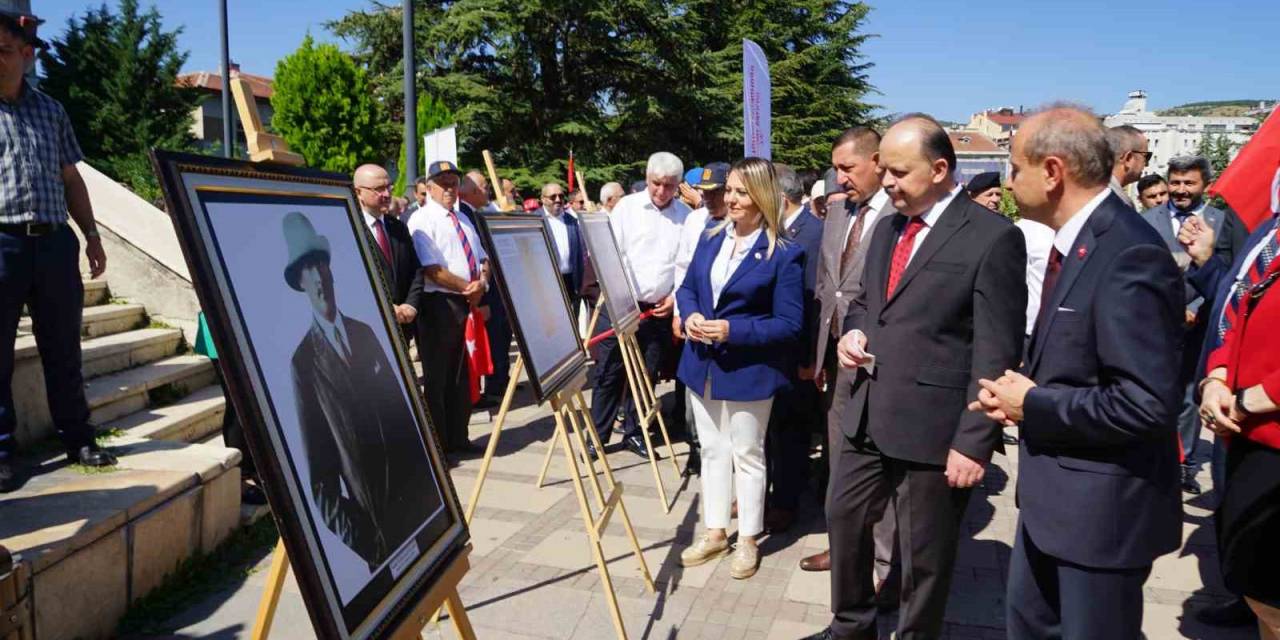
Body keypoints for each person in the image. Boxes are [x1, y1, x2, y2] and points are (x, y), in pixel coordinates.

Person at [807, 114, 1026, 640]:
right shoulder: (888, 227)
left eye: (900, 173)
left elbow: (996, 351)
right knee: (844, 517)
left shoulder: (993, 237)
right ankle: (851, 627)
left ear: (940, 169)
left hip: (934, 427)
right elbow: (867, 303)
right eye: (883, 170)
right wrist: (853, 333)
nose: (886, 182)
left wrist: (973, 441)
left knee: (923, 555)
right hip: (867, 411)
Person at [972, 105, 1183, 640]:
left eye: (1014, 168)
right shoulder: (1078, 242)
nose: (1008, 183)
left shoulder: (1129, 253)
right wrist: (1020, 391)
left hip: (1100, 518)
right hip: (1054, 505)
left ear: (1052, 172)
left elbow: (1144, 404)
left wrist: (1032, 404)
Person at [0, 9, 117, 492]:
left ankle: (79, 439)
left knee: (64, 348)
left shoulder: (52, 111)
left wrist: (91, 235)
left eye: (4, 51)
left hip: (53, 243)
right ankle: (2, 452)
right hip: (2, 243)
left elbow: (72, 179)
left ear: (26, 55)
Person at [280, 211, 435, 571]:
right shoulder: (304, 363)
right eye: (307, 270)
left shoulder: (364, 332)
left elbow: (403, 416)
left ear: (330, 269)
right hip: (380, 530)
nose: (318, 276)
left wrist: (431, 493)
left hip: (418, 508)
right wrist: (369, 542)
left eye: (320, 264)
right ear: (300, 282)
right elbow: (322, 484)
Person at [676, 157, 803, 579]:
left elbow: (789, 324)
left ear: (762, 196)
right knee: (711, 450)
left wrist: (734, 330)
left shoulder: (784, 253)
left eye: (740, 192)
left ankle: (748, 537)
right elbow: (687, 288)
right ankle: (715, 531)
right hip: (702, 364)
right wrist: (691, 315)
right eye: (728, 190)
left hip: (749, 370)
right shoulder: (711, 237)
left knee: (747, 454)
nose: (729, 199)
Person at [801, 128, 899, 595]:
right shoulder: (838, 211)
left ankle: (885, 565)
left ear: (877, 162)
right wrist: (818, 352)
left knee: (881, 464)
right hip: (836, 358)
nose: (838, 178)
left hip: (881, 362)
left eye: (847, 168)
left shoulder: (901, 215)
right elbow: (828, 284)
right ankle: (844, 548)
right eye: (836, 168)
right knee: (840, 458)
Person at [1187, 167, 1280, 631]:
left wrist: (1245, 401)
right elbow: (1237, 303)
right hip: (1244, 430)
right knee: (1256, 581)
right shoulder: (1270, 234)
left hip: (1264, 426)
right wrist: (1217, 377)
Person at [1139, 155, 1248, 494]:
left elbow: (1231, 273)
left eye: (1189, 183)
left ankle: (1182, 462)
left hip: (1200, 325)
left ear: (1206, 185)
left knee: (1189, 394)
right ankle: (1149, 456)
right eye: (1175, 182)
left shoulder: (1223, 221)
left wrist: (1196, 308)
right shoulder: (1146, 220)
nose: (1181, 190)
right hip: (1155, 324)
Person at [589, 152, 690, 459]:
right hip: (621, 305)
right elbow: (607, 256)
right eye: (657, 183)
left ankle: (636, 431)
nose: (662, 191)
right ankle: (597, 435)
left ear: (678, 185)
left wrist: (674, 298)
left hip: (658, 309)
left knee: (647, 373)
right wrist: (622, 300)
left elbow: (686, 266)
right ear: (647, 178)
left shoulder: (685, 215)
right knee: (609, 372)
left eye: (669, 185)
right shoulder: (627, 208)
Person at [407, 161, 490, 455]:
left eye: (453, 183)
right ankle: (439, 445)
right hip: (439, 306)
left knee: (463, 375)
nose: (449, 189)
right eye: (443, 184)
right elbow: (432, 269)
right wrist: (468, 287)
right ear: (429, 188)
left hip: (467, 303)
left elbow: (482, 258)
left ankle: (459, 437)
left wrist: (482, 282)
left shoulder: (464, 218)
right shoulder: (421, 220)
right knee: (438, 377)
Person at [763, 164, 823, 533]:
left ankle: (786, 501)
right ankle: (764, 493)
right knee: (769, 428)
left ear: (781, 198)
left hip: (795, 353)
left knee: (790, 431)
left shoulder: (813, 234)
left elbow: (813, 301)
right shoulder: (775, 229)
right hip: (771, 350)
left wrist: (809, 358)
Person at [672, 162, 731, 476]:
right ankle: (697, 452)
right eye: (703, 192)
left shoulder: (745, 225)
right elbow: (683, 269)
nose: (708, 198)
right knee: (693, 398)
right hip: (696, 325)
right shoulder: (696, 221)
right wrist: (681, 313)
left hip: (728, 331)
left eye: (714, 192)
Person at [353, 165, 422, 345]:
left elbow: (415, 270)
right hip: (367, 330)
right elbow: (351, 281)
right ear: (358, 192)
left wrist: (410, 305)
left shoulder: (398, 227)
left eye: (389, 187)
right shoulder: (350, 229)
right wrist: (384, 307)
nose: (387, 194)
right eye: (379, 189)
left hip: (402, 326)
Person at [538, 182, 585, 316]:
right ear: (543, 199)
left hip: (571, 280)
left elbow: (579, 253)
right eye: (553, 197)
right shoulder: (534, 220)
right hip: (548, 282)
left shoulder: (571, 220)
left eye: (561, 196)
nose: (558, 200)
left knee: (573, 317)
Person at [1105, 124, 1150, 209]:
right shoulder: (1116, 202)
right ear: (1128, 158)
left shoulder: (1090, 189)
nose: (1147, 164)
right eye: (1146, 156)